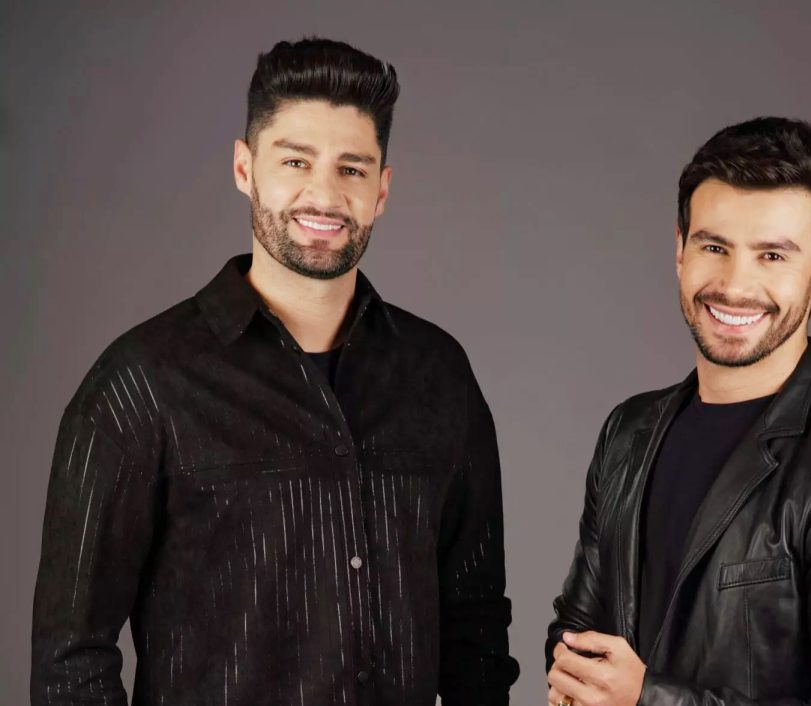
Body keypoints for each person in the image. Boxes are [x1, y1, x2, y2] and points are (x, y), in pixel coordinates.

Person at [32, 37, 518, 706]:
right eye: (295, 161)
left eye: (352, 169)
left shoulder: (440, 375)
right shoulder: (140, 385)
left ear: (381, 189)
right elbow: (70, 662)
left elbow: (476, 632)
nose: (324, 194)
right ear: (245, 167)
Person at [545, 117, 811, 706]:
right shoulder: (628, 432)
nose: (735, 285)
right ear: (680, 249)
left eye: (772, 255)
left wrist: (648, 700)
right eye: (714, 247)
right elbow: (577, 632)